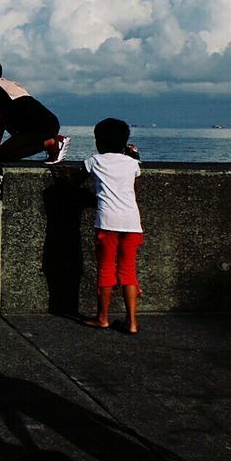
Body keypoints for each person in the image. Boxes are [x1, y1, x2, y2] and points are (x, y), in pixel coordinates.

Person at [75, 118, 143, 334]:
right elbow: (135, 170)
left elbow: (75, 181)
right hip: (132, 223)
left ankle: (102, 317)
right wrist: (132, 155)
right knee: (128, 271)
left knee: (106, 269)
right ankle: (132, 322)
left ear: (98, 142)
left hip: (107, 222)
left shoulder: (95, 161)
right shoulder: (132, 163)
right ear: (125, 142)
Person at [0, 56, 69, 164]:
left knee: (3, 154)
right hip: (47, 124)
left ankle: (52, 142)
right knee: (4, 153)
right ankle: (52, 148)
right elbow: (0, 128)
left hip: (40, 127)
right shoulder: (6, 85)